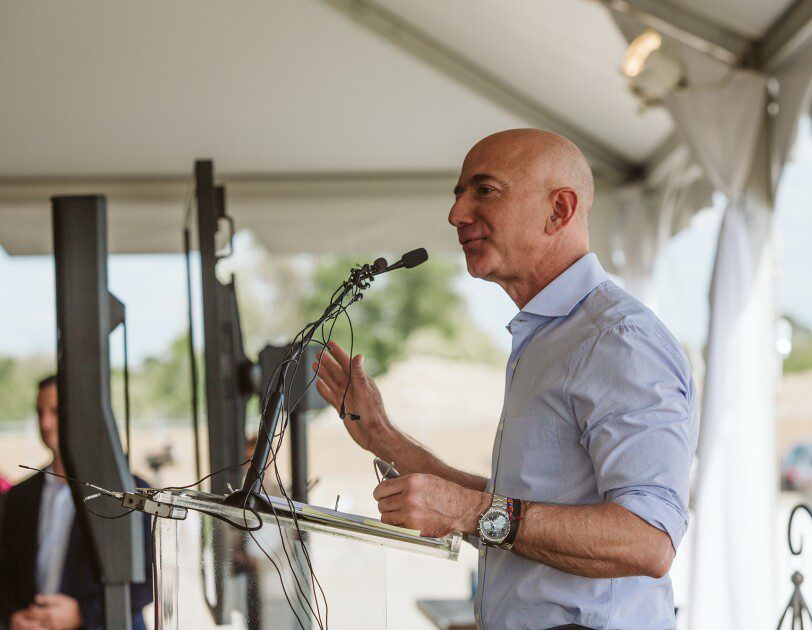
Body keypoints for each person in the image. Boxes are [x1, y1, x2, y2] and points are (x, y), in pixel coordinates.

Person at [313, 129, 698, 629]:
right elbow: (519, 509)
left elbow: (648, 540)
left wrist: (471, 512)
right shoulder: (548, 335)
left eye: (485, 191)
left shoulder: (618, 339)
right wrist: (380, 435)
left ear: (558, 210)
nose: (457, 215)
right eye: (457, 196)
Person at [0, 375, 153, 630]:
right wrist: (12, 616)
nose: (45, 423)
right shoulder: (19, 496)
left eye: (55, 412)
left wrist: (82, 615)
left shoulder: (131, 494)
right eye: (40, 412)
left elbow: (149, 580)